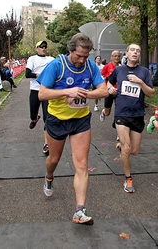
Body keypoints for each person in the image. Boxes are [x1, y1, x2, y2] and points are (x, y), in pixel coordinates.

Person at [36, 33, 108, 225]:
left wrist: (86, 94)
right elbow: (42, 94)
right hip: (57, 119)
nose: (82, 60)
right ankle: (49, 176)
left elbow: (104, 90)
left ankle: (80, 211)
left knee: (82, 164)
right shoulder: (57, 65)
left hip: (80, 120)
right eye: (79, 56)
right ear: (70, 50)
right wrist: (67, 91)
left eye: (86, 56)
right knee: (54, 159)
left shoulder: (90, 66)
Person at [107, 43, 155, 193]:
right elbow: (108, 80)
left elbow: (151, 93)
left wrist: (140, 82)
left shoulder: (144, 72)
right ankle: (128, 179)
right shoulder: (119, 70)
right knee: (127, 149)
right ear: (126, 53)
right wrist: (109, 87)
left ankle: (122, 146)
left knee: (134, 150)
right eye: (132, 50)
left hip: (138, 114)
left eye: (138, 51)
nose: (135, 52)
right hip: (121, 113)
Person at [25, 40, 54, 155]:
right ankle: (35, 118)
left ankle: (46, 144)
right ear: (37, 48)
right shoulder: (32, 59)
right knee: (32, 113)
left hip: (47, 91)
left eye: (45, 47)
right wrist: (39, 75)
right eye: (41, 47)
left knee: (47, 118)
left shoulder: (51, 60)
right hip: (35, 90)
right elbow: (27, 74)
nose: (43, 48)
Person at [99, 50, 121, 123]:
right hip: (109, 91)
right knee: (107, 113)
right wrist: (107, 77)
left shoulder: (121, 67)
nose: (117, 57)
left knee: (119, 111)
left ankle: (119, 127)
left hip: (118, 91)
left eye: (118, 56)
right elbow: (101, 75)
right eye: (115, 56)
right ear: (111, 57)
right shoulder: (107, 66)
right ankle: (103, 112)